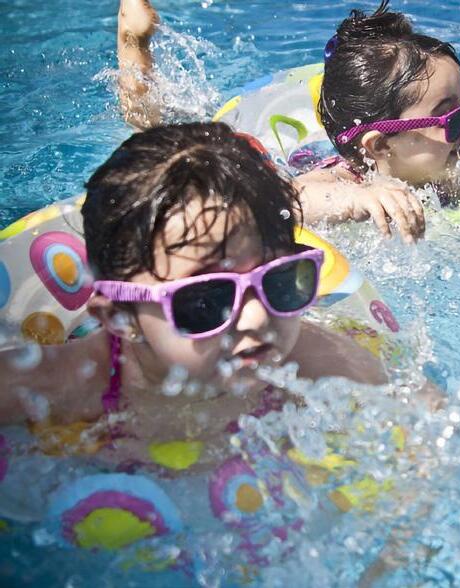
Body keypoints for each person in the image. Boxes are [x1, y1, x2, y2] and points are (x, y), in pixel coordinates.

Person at [0, 122, 387, 459]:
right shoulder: (58, 388)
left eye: (280, 281)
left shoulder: (322, 366)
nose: (257, 317)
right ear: (118, 316)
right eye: (206, 300)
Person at [115, 1, 460, 244]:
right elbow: (283, 203)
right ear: (380, 146)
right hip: (291, 159)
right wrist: (356, 199)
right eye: (449, 118)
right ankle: (134, 45)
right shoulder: (343, 179)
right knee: (159, 140)